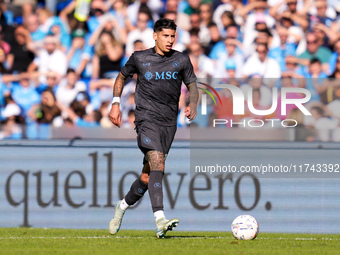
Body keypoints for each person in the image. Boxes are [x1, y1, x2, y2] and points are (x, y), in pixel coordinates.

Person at [108, 18, 198, 238]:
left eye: (173, 36)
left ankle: (122, 206)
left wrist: (192, 103)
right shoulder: (140, 58)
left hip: (169, 123)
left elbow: (193, 85)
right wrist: (115, 103)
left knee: (148, 177)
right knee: (158, 162)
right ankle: (160, 220)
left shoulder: (181, 59)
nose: (170, 40)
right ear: (155, 35)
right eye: (165, 36)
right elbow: (121, 77)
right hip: (146, 120)